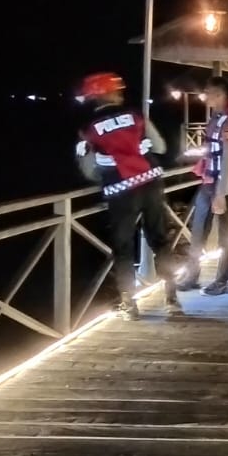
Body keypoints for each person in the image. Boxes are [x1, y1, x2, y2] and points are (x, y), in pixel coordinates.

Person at [75, 71, 182, 320]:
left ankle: (129, 304)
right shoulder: (136, 116)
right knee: (160, 241)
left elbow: (89, 171)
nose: (121, 93)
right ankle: (172, 299)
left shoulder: (88, 130)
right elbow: (161, 147)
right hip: (151, 183)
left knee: (123, 247)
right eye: (118, 90)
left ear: (94, 97)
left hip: (121, 191)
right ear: (110, 93)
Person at [179, 76, 228, 295]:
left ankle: (222, 281)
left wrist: (222, 193)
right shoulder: (215, 118)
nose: (204, 96)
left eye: (207, 92)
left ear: (219, 95)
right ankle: (191, 276)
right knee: (198, 231)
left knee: (226, 235)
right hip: (207, 181)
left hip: (222, 184)